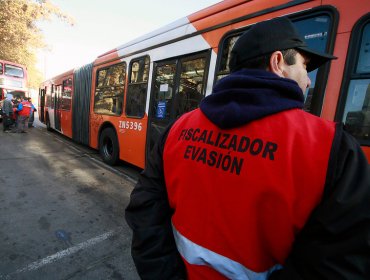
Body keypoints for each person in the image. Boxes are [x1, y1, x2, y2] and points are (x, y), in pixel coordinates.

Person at [125, 17, 370, 280]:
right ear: (278, 63)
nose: (308, 80)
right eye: (304, 66)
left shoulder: (178, 129)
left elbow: (145, 214)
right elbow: (337, 267)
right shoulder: (332, 147)